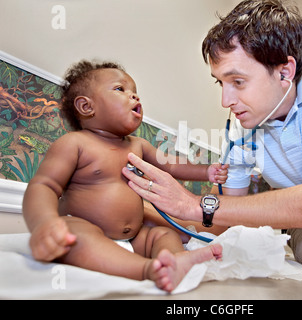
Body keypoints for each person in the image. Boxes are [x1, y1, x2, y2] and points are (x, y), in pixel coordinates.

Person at [123, 0, 302, 299]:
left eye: (237, 81)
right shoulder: (241, 132)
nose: (225, 100)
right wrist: (152, 211)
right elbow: (233, 221)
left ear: (285, 72)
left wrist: (192, 203)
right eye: (221, 83)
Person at [22, 60, 226, 292]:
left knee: (163, 234)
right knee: (73, 235)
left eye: (135, 92)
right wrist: (44, 224)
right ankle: (147, 270)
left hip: (135, 237)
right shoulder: (74, 143)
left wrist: (207, 171)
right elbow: (44, 185)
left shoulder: (138, 145)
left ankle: (172, 263)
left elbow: (171, 166)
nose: (135, 97)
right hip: (88, 230)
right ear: (86, 107)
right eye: (121, 89)